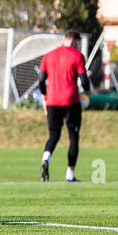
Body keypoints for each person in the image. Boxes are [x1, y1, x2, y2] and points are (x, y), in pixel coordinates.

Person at [39, 31, 89, 183]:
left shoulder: (48, 55)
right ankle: (70, 174)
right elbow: (85, 81)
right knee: (73, 137)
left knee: (54, 135)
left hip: (52, 101)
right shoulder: (77, 56)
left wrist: (45, 95)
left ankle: (46, 158)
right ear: (75, 41)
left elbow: (41, 80)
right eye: (78, 43)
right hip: (71, 101)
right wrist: (86, 93)